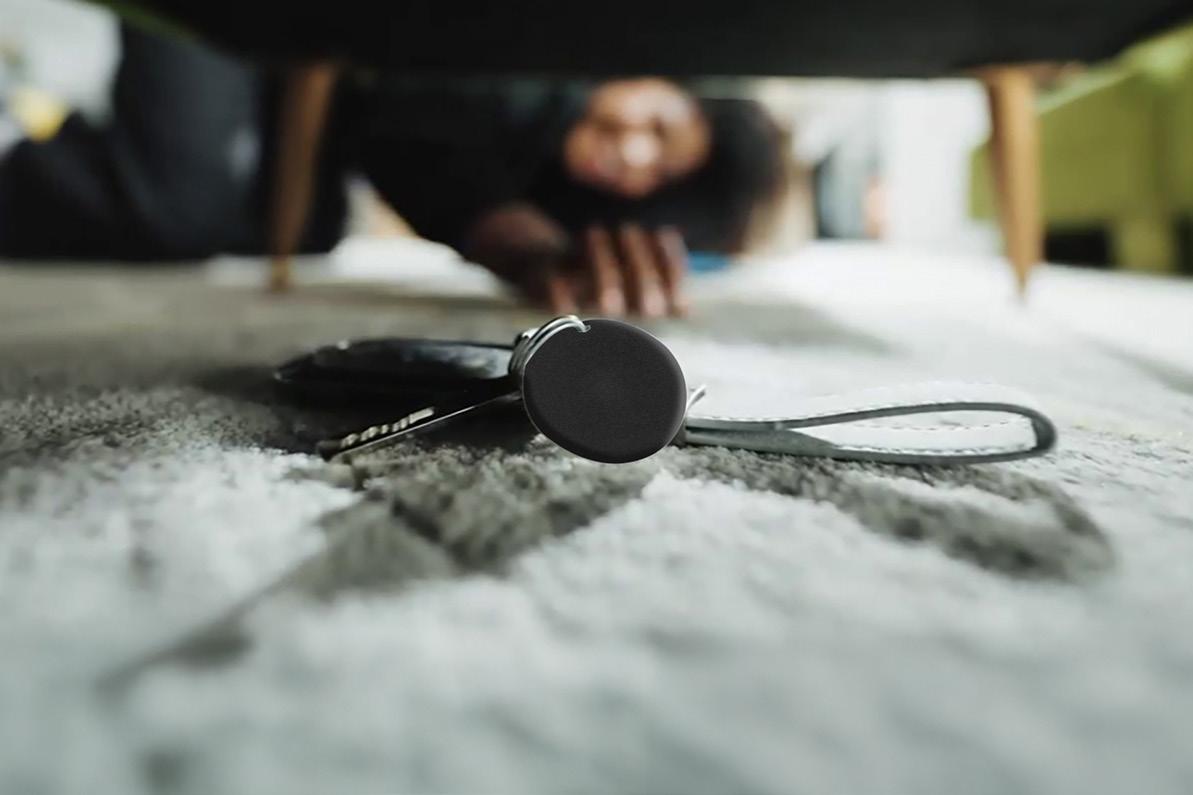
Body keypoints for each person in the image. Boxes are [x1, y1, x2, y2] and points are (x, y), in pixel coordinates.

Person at [0, 25, 786, 317]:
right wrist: (521, 247)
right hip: (246, 18)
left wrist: (540, 252)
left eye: (656, 175)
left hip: (300, 95)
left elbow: (411, 155)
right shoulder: (542, 62)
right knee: (181, 211)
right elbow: (416, 120)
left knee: (308, 230)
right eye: (658, 124)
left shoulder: (539, 165)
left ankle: (58, 147)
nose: (634, 156)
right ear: (653, 70)